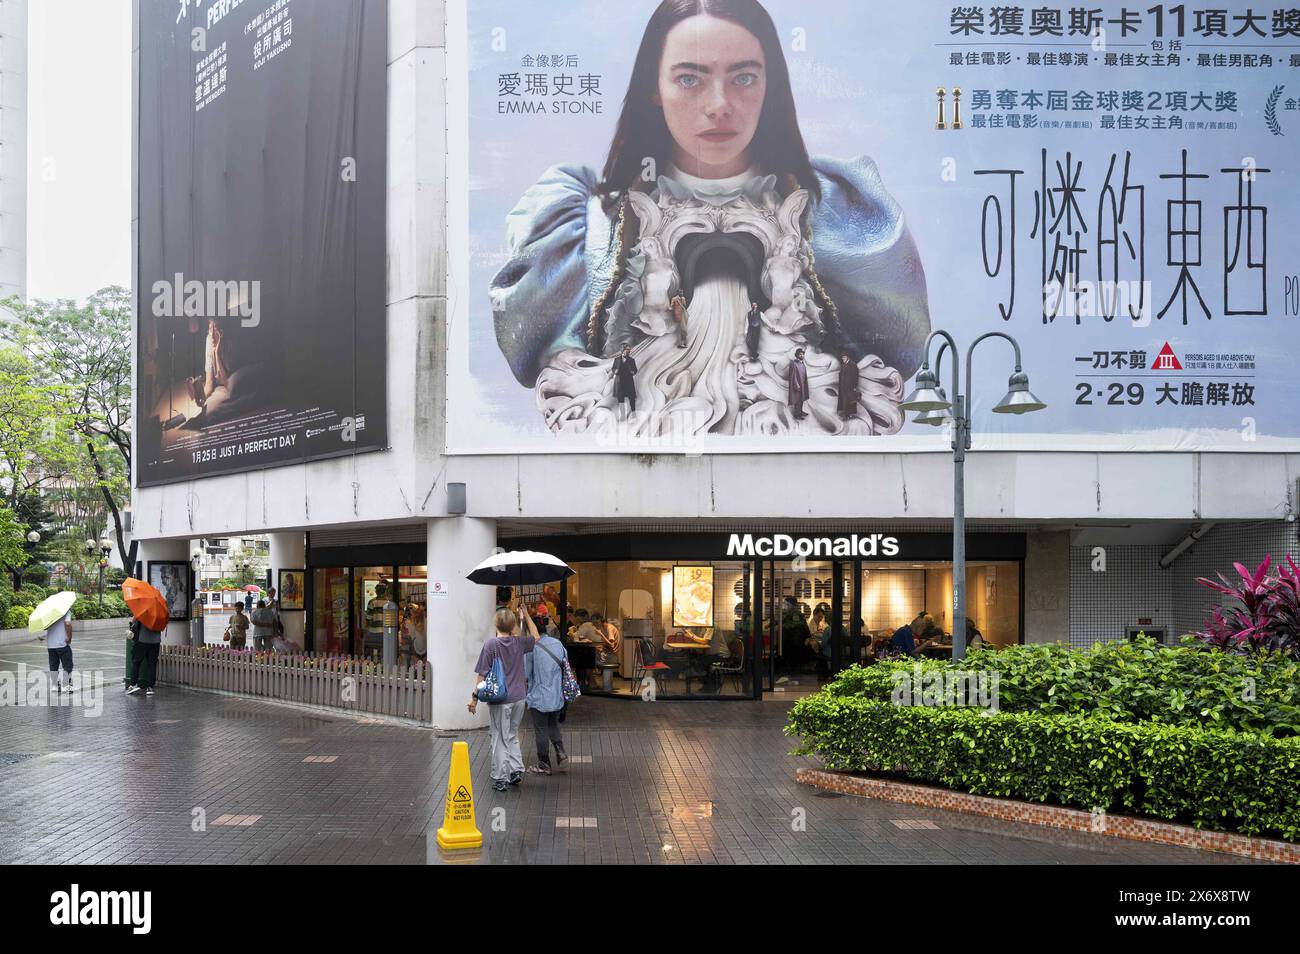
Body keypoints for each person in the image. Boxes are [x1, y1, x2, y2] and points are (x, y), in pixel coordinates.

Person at [490, 0, 930, 439]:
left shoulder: (837, 213)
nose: (719, 105)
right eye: (689, 78)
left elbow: (898, 344)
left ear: (769, 86)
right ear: (653, 88)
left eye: (743, 78)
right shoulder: (587, 223)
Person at [469, 607, 540, 791]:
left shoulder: (491, 645)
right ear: (513, 625)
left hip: (501, 699)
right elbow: (536, 636)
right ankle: (516, 770)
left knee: (499, 737)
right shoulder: (519, 643)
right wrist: (527, 614)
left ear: (496, 624)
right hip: (519, 697)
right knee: (512, 734)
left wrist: (474, 698)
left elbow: (482, 675)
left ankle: (500, 777)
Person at [523, 613, 570, 775]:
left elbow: (525, 673)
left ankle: (543, 764)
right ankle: (561, 751)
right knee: (552, 725)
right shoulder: (557, 644)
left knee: (541, 729)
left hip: (539, 696)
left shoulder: (531, 648)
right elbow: (565, 666)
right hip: (557, 695)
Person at [126, 617, 163, 696]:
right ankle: (150, 688)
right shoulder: (160, 615)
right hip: (155, 642)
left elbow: (133, 623)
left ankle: (133, 684)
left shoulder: (143, 611)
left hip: (142, 640)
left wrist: (132, 621)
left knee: (136, 662)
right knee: (152, 665)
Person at [44, 607, 75, 694]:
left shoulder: (49, 611)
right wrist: (69, 637)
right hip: (62, 643)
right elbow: (67, 623)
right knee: (67, 664)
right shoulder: (66, 610)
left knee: (53, 665)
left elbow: (45, 627)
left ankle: (55, 685)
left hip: (51, 644)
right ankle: (66, 686)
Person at [609, 345, 639, 416]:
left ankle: (633, 413)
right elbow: (613, 368)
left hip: (629, 381)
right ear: (623, 350)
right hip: (619, 382)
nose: (629, 351)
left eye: (629, 349)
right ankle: (623, 415)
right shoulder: (617, 360)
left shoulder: (632, 360)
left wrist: (633, 372)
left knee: (631, 398)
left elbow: (635, 370)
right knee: (620, 398)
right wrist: (615, 371)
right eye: (627, 349)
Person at [787, 347, 810, 420]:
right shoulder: (794, 363)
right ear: (797, 355)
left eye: (803, 354)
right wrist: (796, 385)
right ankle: (797, 415)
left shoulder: (802, 364)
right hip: (797, 385)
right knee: (798, 400)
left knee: (802, 399)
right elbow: (793, 376)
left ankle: (800, 411)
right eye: (800, 354)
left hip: (803, 384)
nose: (802, 356)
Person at [837, 352, 859, 419]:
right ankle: (846, 414)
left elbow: (855, 376)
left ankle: (848, 415)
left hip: (850, 387)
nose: (843, 359)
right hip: (843, 387)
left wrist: (854, 386)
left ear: (847, 357)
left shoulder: (853, 365)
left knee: (849, 401)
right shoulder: (843, 365)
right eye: (842, 357)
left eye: (844, 357)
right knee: (844, 401)